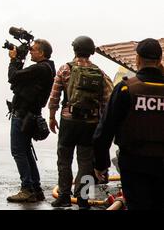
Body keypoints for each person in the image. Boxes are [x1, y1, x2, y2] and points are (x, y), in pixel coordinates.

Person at [93, 38, 164, 210]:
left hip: (134, 164)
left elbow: (105, 129)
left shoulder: (126, 88)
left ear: (137, 59)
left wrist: (101, 164)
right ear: (160, 60)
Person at [48, 36, 113, 209]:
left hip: (69, 122)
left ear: (74, 50)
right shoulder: (99, 72)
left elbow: (54, 96)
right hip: (90, 123)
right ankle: (83, 199)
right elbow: (107, 99)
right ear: (91, 52)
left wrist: (52, 116)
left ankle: (63, 196)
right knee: (86, 162)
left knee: (64, 159)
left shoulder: (65, 69)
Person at [6, 39, 56, 203]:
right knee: (26, 151)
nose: (30, 52)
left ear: (42, 53)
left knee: (18, 152)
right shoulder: (47, 68)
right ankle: (36, 188)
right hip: (30, 114)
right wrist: (19, 60)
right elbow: (19, 79)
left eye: (33, 50)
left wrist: (14, 60)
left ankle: (27, 189)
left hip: (23, 115)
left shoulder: (40, 69)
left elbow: (13, 76)